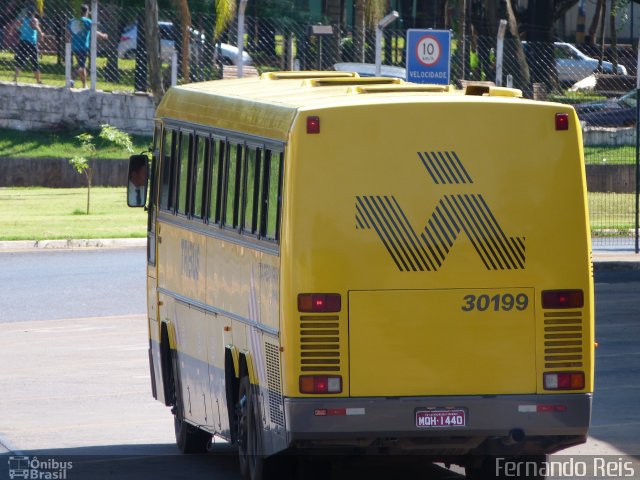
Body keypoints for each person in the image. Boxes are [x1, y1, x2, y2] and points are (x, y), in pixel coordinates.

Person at [67, 4, 107, 88]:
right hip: (83, 47)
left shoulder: (72, 20)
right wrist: (103, 36)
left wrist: (69, 42)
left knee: (83, 66)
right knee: (80, 65)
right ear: (86, 12)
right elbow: (94, 31)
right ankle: (71, 80)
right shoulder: (87, 21)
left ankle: (84, 85)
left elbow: (67, 33)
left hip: (74, 46)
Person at [13, 8, 44, 84]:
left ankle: (15, 78)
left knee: (20, 60)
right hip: (30, 43)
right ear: (34, 13)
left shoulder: (23, 20)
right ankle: (38, 80)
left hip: (23, 42)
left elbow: (18, 27)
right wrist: (41, 33)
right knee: (34, 62)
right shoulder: (34, 20)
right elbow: (35, 26)